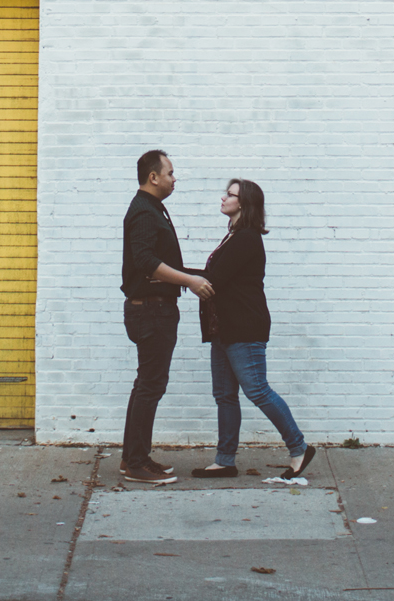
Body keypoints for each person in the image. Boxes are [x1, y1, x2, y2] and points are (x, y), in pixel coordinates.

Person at [191, 178, 317, 480]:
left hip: (244, 328)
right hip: (225, 328)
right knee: (224, 394)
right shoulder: (233, 236)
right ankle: (225, 461)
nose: (223, 198)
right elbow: (214, 277)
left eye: (230, 195)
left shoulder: (246, 237)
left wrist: (172, 274)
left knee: (258, 390)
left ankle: (299, 448)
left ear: (243, 204)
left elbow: (215, 279)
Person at [120, 148, 213, 485]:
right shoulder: (145, 212)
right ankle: (135, 464)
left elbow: (158, 262)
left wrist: (200, 273)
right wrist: (190, 281)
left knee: (146, 384)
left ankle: (135, 457)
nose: (175, 179)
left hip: (154, 309)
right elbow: (144, 260)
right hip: (152, 311)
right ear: (153, 176)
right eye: (170, 173)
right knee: (150, 385)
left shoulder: (151, 208)